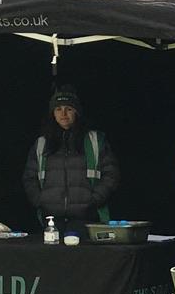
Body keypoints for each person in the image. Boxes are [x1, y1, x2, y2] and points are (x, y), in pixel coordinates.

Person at [23, 83, 119, 234]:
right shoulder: (41, 143)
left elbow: (111, 174)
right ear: (52, 113)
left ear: (77, 112)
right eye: (58, 109)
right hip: (52, 221)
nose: (63, 114)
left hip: (87, 219)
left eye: (69, 109)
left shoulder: (94, 140)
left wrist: (93, 200)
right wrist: (41, 201)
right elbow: (30, 177)